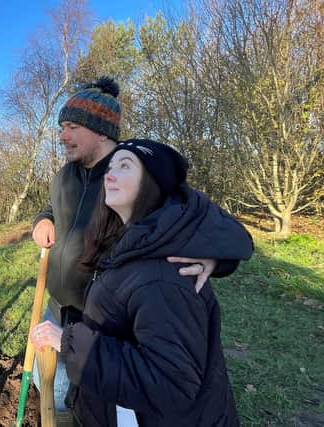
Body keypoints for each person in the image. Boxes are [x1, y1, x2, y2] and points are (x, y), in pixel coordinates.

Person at [31, 77, 247, 424]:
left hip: (104, 321)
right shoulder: (64, 176)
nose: (62, 135)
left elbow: (198, 220)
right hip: (59, 306)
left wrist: (212, 257)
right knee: (58, 393)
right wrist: (42, 220)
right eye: (61, 127)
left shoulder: (134, 174)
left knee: (96, 392)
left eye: (71, 126)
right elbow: (52, 207)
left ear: (101, 131)